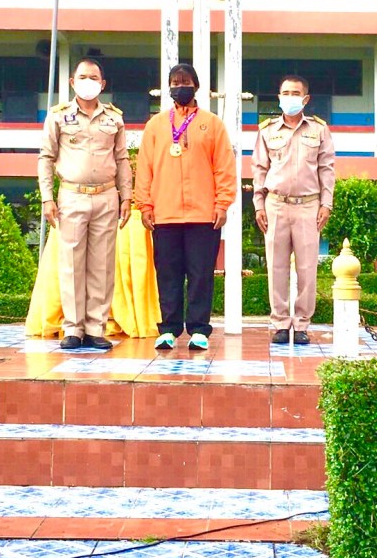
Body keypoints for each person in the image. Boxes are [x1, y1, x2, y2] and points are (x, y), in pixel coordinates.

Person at [135, 63, 236, 350]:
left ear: (196, 86)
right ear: (168, 88)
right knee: (168, 274)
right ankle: (168, 329)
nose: (180, 87)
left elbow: (224, 167)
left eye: (185, 82)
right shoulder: (156, 126)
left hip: (204, 214)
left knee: (201, 274)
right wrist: (144, 204)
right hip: (164, 213)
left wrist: (222, 203)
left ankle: (199, 330)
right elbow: (144, 168)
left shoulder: (212, 124)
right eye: (175, 83)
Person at [38, 58, 133, 350]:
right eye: (82, 77)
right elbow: (46, 157)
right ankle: (73, 328)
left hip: (106, 195)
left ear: (102, 84)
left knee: (102, 265)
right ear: (72, 82)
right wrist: (47, 197)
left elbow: (122, 159)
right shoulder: (58, 116)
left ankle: (95, 328)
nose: (88, 82)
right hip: (72, 195)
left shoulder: (114, 118)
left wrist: (127, 196)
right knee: (71, 264)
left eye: (93, 77)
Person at [252, 75, 335, 345]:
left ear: (306, 99)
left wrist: (326, 203)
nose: (290, 97)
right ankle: (279, 323)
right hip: (275, 204)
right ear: (279, 98)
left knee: (307, 268)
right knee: (276, 267)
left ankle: (301, 325)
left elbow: (327, 169)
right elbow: (259, 169)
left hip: (308, 205)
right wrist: (258, 204)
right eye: (285, 93)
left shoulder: (319, 130)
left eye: (295, 93)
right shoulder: (267, 130)